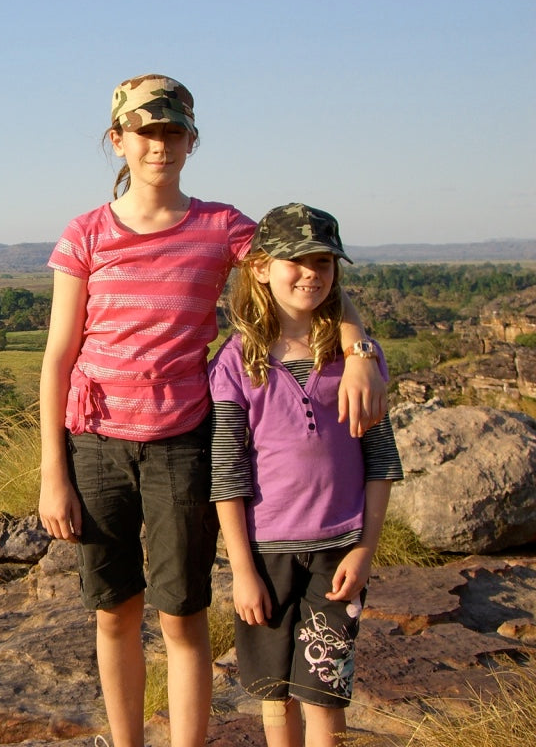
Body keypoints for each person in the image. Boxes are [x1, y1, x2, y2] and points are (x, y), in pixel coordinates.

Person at [38, 74, 386, 747]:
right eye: (146, 132)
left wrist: (360, 346)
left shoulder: (220, 226)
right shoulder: (85, 234)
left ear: (191, 141)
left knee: (183, 613)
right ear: (119, 141)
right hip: (97, 442)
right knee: (114, 611)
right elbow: (58, 355)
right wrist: (53, 470)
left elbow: (301, 271)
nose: (159, 145)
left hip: (180, 440)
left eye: (173, 132)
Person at [208, 203, 404, 747]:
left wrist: (366, 549)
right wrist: (241, 571)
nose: (311, 273)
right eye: (296, 260)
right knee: (274, 694)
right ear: (262, 268)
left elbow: (380, 460)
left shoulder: (358, 360)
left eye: (324, 261)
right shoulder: (236, 363)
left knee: (325, 693)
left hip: (337, 552)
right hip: (264, 553)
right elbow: (227, 471)